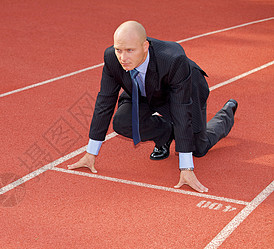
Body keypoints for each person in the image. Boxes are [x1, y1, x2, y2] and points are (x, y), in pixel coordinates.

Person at [67, 21, 237, 193]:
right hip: (141, 91)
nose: (123, 58)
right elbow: (105, 100)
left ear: (145, 46)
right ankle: (165, 134)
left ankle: (226, 114)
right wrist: (91, 153)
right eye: (119, 50)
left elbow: (181, 111)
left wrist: (186, 169)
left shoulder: (174, 60)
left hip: (183, 91)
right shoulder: (112, 58)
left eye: (130, 51)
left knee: (198, 149)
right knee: (123, 121)